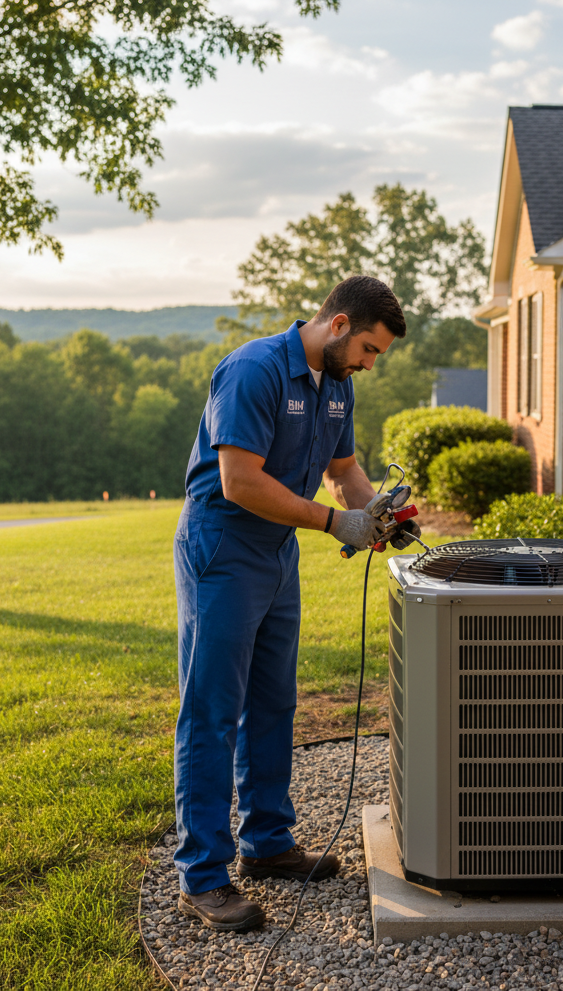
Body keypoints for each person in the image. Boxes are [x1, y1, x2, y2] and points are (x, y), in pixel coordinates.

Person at [173, 275, 422, 931]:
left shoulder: (335, 384)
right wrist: (332, 525)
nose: (370, 365)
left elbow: (343, 472)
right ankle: (201, 877)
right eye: (370, 349)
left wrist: (374, 516)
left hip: (278, 556)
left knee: (274, 701)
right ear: (338, 325)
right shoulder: (253, 371)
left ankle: (268, 843)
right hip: (223, 549)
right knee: (212, 713)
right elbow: (239, 481)